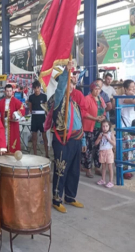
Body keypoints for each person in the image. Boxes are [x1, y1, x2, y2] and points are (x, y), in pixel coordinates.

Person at [50, 61, 86, 213]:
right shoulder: (58, 101)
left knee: (74, 171)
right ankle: (56, 199)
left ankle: (70, 197)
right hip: (63, 141)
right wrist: (67, 71)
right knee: (60, 170)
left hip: (76, 141)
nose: (70, 86)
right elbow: (60, 87)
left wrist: (83, 141)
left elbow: (80, 124)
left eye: (72, 84)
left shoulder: (75, 104)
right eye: (68, 83)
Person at [82, 82, 106, 178]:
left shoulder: (101, 99)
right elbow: (83, 112)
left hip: (99, 127)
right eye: (95, 89)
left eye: (99, 89)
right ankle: (88, 169)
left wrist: (102, 117)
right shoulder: (87, 99)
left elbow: (104, 110)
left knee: (98, 148)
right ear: (92, 90)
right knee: (88, 148)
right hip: (89, 128)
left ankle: (97, 167)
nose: (97, 91)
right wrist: (94, 118)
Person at [0, 84, 25, 153]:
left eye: (10, 91)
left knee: (13, 143)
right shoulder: (1, 102)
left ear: (12, 91)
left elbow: (22, 108)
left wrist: (16, 114)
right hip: (3, 127)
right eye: (7, 91)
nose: (8, 92)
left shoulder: (15, 101)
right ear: (5, 91)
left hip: (13, 127)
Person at [28, 81, 48, 157]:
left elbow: (46, 108)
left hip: (42, 118)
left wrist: (47, 119)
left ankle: (46, 154)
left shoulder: (44, 96)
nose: (36, 89)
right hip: (34, 118)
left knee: (44, 136)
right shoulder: (31, 97)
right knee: (34, 137)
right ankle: (35, 154)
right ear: (33, 88)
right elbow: (30, 108)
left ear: (40, 88)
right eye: (35, 88)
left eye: (38, 88)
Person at [95, 120, 116, 188]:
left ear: (109, 126)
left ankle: (111, 181)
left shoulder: (111, 134)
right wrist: (99, 138)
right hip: (102, 151)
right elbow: (96, 143)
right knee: (103, 167)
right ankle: (103, 179)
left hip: (109, 151)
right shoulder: (100, 134)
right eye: (103, 126)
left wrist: (108, 138)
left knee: (110, 167)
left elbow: (114, 144)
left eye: (106, 126)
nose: (105, 128)